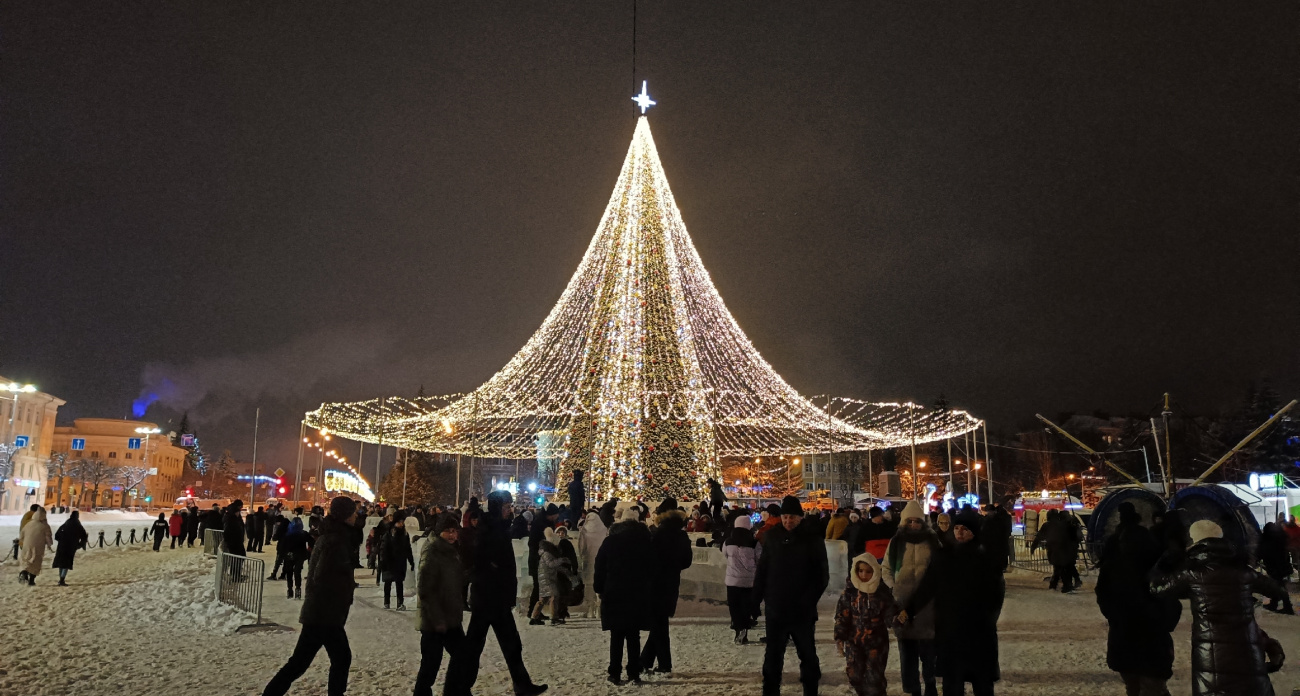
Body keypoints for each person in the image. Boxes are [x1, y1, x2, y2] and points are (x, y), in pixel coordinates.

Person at [1151, 520, 1288, 696]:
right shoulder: (1244, 572)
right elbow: (1278, 591)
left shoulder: (1193, 574)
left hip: (1211, 662)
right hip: (1248, 657)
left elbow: (1156, 588)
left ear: (1196, 542)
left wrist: (1162, 564)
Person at [444, 490, 548, 696]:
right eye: (506, 506)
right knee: (477, 647)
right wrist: (496, 572)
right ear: (497, 508)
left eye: (510, 506)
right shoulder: (489, 529)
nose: (510, 510)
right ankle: (457, 688)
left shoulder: (497, 527)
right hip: (489, 597)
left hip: (494, 597)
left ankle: (520, 684)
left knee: (507, 645)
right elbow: (483, 562)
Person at [262, 496, 359, 696]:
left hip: (322, 612)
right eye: (353, 512)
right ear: (345, 515)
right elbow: (322, 575)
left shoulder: (333, 536)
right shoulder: (334, 540)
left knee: (303, 662)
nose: (356, 515)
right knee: (332, 659)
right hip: (324, 613)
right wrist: (343, 586)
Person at [906, 510, 1003, 696]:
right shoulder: (944, 556)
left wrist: (987, 620)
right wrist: (910, 610)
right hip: (950, 628)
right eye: (956, 528)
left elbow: (996, 595)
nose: (959, 532)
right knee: (952, 680)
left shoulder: (986, 558)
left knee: (981, 680)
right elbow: (928, 585)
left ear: (974, 531)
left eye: (965, 529)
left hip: (978, 631)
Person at [1094, 502, 1180, 696]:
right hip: (1153, 637)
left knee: (1133, 686)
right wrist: (1165, 620)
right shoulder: (1156, 564)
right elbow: (1171, 597)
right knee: (1154, 687)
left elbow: (1102, 593)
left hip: (1123, 633)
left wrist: (1114, 616)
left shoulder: (1113, 562)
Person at [754, 495, 830, 696]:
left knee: (807, 655)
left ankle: (810, 690)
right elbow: (762, 570)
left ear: (800, 517)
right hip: (776, 609)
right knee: (773, 656)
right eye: (785, 517)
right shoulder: (772, 537)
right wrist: (756, 599)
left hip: (802, 611)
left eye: (792, 517)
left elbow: (821, 576)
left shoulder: (812, 539)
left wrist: (807, 601)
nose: (788, 521)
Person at [881, 500, 939, 696]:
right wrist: (893, 588)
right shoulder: (896, 542)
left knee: (928, 652)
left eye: (917, 521)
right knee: (907, 653)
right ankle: (913, 688)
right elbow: (886, 568)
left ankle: (930, 683)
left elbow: (940, 568)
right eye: (910, 521)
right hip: (902, 603)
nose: (913, 525)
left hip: (927, 604)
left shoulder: (932, 541)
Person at [594, 508, 654, 685]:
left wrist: (600, 588)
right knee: (633, 635)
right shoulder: (645, 542)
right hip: (637, 592)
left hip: (614, 592)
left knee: (617, 635)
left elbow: (600, 566)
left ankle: (614, 672)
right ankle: (634, 672)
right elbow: (653, 568)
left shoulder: (610, 541)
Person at [413, 514, 466, 696]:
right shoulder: (433, 552)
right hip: (434, 620)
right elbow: (426, 589)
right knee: (430, 663)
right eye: (447, 531)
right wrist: (437, 620)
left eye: (454, 531)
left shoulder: (450, 551)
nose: (452, 535)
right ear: (438, 532)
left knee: (462, 656)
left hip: (449, 616)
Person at [835, 553, 900, 696]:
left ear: (875, 572)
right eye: (860, 571)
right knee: (855, 675)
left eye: (868, 571)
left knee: (874, 679)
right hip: (854, 641)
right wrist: (840, 636)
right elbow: (842, 615)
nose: (864, 575)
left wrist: (897, 619)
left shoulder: (881, 592)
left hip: (876, 643)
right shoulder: (850, 591)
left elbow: (890, 613)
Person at [640, 497, 693, 674]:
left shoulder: (657, 535)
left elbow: (649, 559)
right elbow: (686, 561)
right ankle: (646, 661)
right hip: (671, 582)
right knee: (659, 622)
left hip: (656, 582)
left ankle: (663, 664)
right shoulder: (681, 534)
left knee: (658, 624)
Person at [723, 514, 761, 644]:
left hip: (732, 580)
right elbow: (759, 559)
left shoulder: (728, 542)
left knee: (734, 606)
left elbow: (725, 555)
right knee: (746, 606)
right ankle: (744, 627)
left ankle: (737, 628)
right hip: (749, 581)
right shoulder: (754, 543)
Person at [531, 527, 578, 625]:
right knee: (554, 596)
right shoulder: (547, 553)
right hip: (547, 578)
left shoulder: (546, 552)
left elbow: (554, 566)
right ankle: (554, 617)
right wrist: (563, 560)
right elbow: (552, 564)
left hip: (546, 577)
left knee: (543, 599)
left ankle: (534, 617)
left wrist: (566, 571)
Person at [527, 504, 560, 617]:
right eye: (555, 514)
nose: (557, 517)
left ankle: (534, 612)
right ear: (550, 515)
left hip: (540, 558)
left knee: (540, 587)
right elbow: (532, 543)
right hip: (538, 559)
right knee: (538, 587)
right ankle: (533, 612)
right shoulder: (541, 525)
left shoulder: (545, 523)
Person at [380, 511, 415, 610]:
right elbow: (384, 548)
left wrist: (411, 561)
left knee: (399, 583)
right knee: (388, 583)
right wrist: (383, 562)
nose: (401, 524)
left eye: (402, 522)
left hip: (400, 562)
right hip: (389, 562)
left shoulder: (404, 534)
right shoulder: (389, 534)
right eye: (399, 522)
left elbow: (408, 548)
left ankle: (400, 603)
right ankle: (386, 602)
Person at [1258, 519, 1294, 614]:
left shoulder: (1268, 541)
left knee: (1279, 587)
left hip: (1275, 567)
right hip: (1281, 566)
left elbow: (1262, 552)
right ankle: (1275, 604)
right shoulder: (1279, 538)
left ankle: (1287, 607)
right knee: (1278, 585)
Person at [577, 510, 608, 617]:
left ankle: (590, 610)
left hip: (588, 561)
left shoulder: (584, 531)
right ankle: (599, 609)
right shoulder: (604, 530)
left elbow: (581, 548)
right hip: (601, 562)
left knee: (589, 586)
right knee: (600, 585)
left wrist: (582, 557)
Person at [51, 510, 88, 586]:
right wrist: (79, 545)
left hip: (62, 546)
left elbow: (57, 535)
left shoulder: (65, 524)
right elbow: (84, 536)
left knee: (61, 563)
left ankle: (61, 578)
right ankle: (62, 579)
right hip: (71, 547)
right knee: (66, 563)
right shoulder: (78, 525)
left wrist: (61, 541)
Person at [18, 507, 53, 586]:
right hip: (38, 547)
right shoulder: (45, 526)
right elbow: (48, 537)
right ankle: (31, 580)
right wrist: (49, 544)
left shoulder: (29, 524)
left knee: (26, 560)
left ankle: (24, 572)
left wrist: (23, 541)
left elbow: (21, 535)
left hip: (26, 546)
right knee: (36, 562)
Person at [281, 515, 313, 599]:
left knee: (289, 572)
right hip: (300, 555)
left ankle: (290, 590)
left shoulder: (287, 534)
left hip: (289, 555)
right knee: (297, 572)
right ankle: (298, 589)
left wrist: (283, 555)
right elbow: (312, 542)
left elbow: (282, 546)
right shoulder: (303, 533)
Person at [269, 510, 293, 580]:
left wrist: (274, 537)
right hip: (289, 546)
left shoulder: (282, 526)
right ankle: (283, 575)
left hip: (282, 546)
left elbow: (276, 536)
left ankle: (274, 574)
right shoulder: (290, 524)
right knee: (286, 561)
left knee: (278, 561)